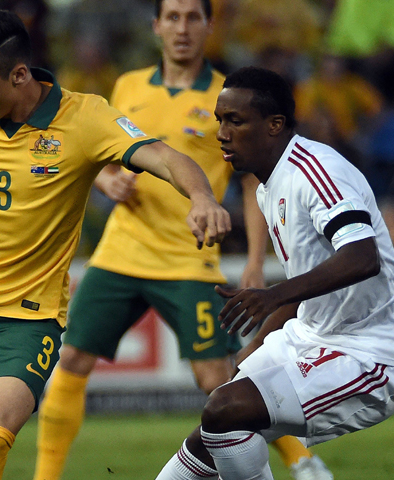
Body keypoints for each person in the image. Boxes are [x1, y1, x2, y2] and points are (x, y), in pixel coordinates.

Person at [0, 9, 231, 480]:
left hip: (27, 317)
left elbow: (166, 157)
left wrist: (202, 197)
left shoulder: (86, 118)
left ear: (19, 74)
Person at [34, 2, 332, 480]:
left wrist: (257, 260)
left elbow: (253, 181)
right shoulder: (127, 86)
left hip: (188, 260)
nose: (182, 28)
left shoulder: (226, 94)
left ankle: (304, 462)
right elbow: (98, 153)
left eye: (193, 17)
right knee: (70, 358)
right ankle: (44, 477)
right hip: (121, 252)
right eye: (172, 17)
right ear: (156, 26)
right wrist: (107, 179)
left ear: (209, 27)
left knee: (218, 378)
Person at [155, 66, 394, 480]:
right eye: (219, 120)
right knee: (210, 431)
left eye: (235, 121)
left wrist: (273, 296)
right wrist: (262, 339)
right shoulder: (268, 185)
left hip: (370, 350)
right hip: (313, 334)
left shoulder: (316, 172)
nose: (221, 134)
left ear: (274, 125)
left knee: (225, 412)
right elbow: (316, 279)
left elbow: (362, 256)